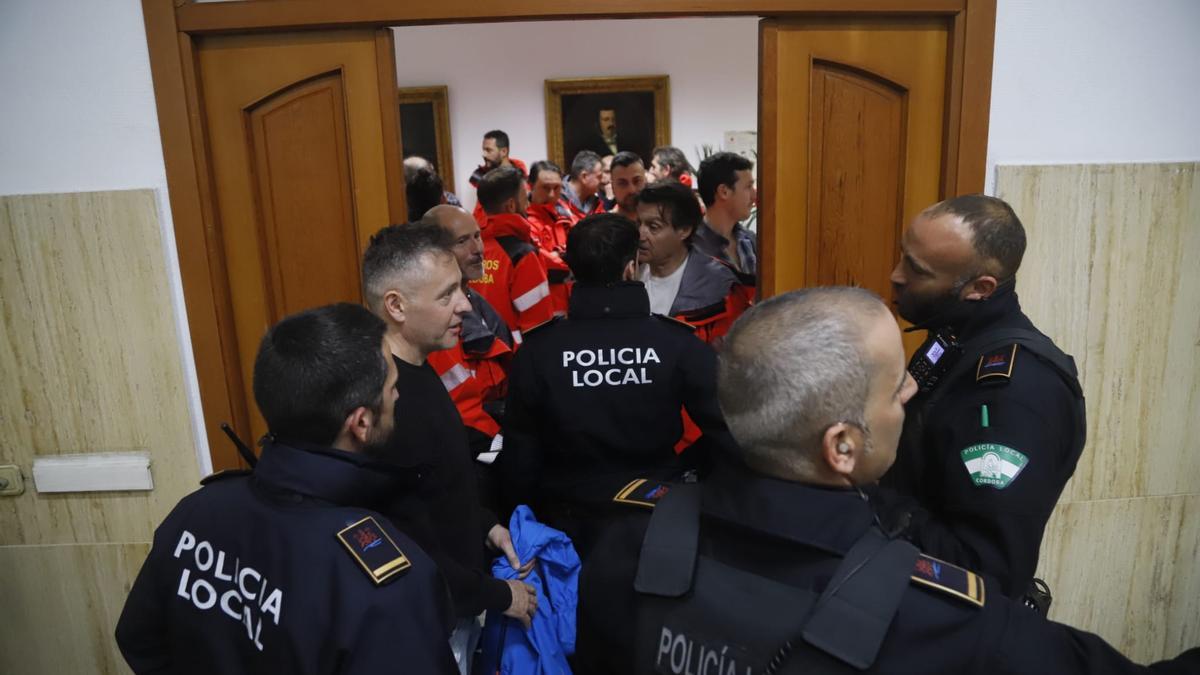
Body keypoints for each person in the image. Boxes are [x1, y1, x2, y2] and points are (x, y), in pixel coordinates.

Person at [577, 287, 1200, 675]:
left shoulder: (626, 543)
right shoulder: (946, 621)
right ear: (842, 446)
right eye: (895, 388)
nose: (909, 392)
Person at [116, 303, 457, 673]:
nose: (397, 397)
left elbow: (139, 640)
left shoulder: (196, 512)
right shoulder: (385, 585)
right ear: (360, 422)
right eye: (392, 387)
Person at [879, 195, 1087, 601]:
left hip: (943, 627)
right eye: (904, 256)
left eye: (918, 270)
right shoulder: (955, 333)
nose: (896, 275)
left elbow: (985, 570)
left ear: (979, 287)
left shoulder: (1012, 393)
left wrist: (863, 494)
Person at [497, 213, 730, 558]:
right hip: (657, 516)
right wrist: (684, 470)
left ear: (573, 270)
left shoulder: (538, 351)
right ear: (630, 269)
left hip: (566, 524)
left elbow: (520, 456)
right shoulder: (675, 343)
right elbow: (727, 429)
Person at [361, 222, 537, 670]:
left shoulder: (419, 368)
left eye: (460, 288)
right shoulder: (384, 406)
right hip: (426, 624)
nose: (465, 306)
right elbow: (407, 544)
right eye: (446, 295)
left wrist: (484, 525)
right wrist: (501, 596)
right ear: (396, 305)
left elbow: (433, 485)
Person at [424, 205, 515, 474]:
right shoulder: (434, 321)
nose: (478, 249)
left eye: (478, 236)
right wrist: (506, 448)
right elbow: (462, 412)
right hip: (469, 459)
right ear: (435, 252)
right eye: (463, 241)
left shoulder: (477, 303)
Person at [636, 181, 752, 345]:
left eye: (653, 227)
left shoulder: (722, 288)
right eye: (638, 223)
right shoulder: (625, 276)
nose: (641, 235)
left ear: (684, 230)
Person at [470, 166, 557, 342]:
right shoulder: (523, 255)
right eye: (525, 198)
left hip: (480, 358)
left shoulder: (468, 250)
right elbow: (539, 326)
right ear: (511, 205)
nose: (528, 204)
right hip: (515, 358)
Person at [695, 151, 758, 280]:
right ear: (724, 191)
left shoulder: (750, 240)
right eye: (748, 187)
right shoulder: (693, 247)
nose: (754, 196)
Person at [562, 150, 606, 221]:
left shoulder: (597, 202)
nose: (602, 181)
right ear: (584, 177)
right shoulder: (557, 200)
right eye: (599, 176)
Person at [609, 151, 647, 222]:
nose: (631, 190)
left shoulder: (661, 222)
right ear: (612, 187)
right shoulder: (604, 226)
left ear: (645, 181)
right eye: (622, 183)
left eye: (637, 181)